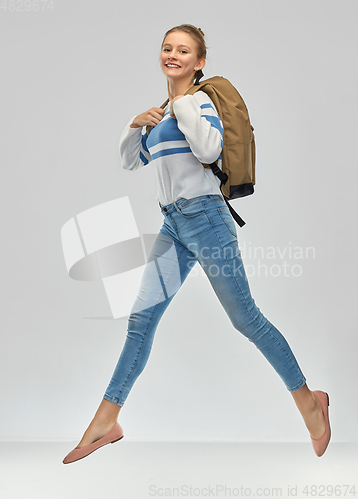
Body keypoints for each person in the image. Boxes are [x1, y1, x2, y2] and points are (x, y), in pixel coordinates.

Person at [63, 24, 331, 464]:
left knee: (246, 319)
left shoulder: (199, 102)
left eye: (183, 50)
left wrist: (183, 103)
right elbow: (130, 161)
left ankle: (308, 403)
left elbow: (208, 150)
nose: (173, 55)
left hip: (206, 220)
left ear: (199, 61)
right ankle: (105, 422)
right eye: (167, 48)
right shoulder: (167, 111)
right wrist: (135, 124)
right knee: (140, 322)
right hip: (173, 226)